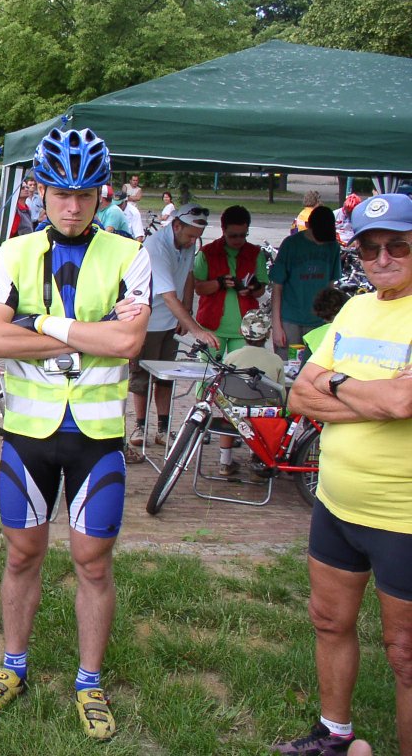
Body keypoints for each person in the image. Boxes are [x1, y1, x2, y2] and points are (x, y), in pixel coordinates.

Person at [0, 128, 150, 741]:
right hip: (29, 433)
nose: (72, 207)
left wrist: (41, 322)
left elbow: (128, 342)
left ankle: (89, 681)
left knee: (92, 563)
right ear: (41, 192)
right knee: (23, 554)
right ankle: (13, 666)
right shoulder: (14, 251)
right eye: (61, 194)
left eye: (84, 195)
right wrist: (89, 333)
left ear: (100, 196)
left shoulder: (129, 253)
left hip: (96, 436)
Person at [270, 193, 412, 756]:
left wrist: (336, 385)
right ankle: (334, 734)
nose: (382, 258)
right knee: (328, 621)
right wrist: (364, 394)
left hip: (402, 516)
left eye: (398, 245)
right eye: (370, 249)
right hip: (335, 504)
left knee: (405, 652)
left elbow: (402, 401)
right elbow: (300, 395)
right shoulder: (354, 309)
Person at [127, 204, 218, 454]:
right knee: (141, 377)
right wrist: (196, 330)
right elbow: (167, 296)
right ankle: (139, 426)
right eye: (190, 236)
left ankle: (163, 429)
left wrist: (188, 308)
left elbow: (188, 275)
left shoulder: (187, 242)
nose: (193, 242)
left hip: (171, 320)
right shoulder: (156, 247)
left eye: (197, 237)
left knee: (166, 376)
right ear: (176, 226)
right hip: (148, 320)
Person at [213, 310, 284, 478]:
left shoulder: (232, 357)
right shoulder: (276, 360)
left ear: (241, 332)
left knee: (228, 415)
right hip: (263, 415)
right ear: (268, 334)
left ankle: (225, 461)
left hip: (236, 413)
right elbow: (281, 394)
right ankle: (259, 458)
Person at [192, 205, 269, 356]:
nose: (238, 240)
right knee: (207, 369)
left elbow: (260, 292)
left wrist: (254, 287)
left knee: (242, 368)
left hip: (245, 326)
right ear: (223, 230)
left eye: (243, 235)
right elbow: (198, 288)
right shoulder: (207, 252)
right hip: (212, 326)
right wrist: (218, 283)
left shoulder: (255, 253)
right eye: (233, 236)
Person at [270, 205, 341, 359]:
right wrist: (276, 326)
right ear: (308, 226)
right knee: (288, 365)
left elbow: (331, 286)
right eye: (317, 237)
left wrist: (330, 320)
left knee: (315, 364)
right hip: (290, 321)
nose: (321, 243)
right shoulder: (291, 244)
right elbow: (277, 287)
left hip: (318, 321)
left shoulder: (333, 246)